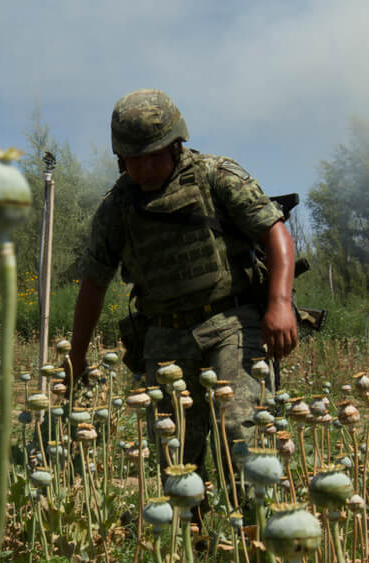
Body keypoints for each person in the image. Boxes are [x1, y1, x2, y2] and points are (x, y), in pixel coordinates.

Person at [68, 88, 298, 506]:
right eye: (134, 159)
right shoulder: (117, 208)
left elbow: (275, 232)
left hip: (232, 323)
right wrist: (76, 358)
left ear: (176, 144)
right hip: (164, 336)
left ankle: (258, 534)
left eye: (154, 154)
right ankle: (189, 543)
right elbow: (93, 284)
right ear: (121, 158)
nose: (145, 167)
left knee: (240, 431)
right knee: (175, 451)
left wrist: (280, 303)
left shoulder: (217, 175)